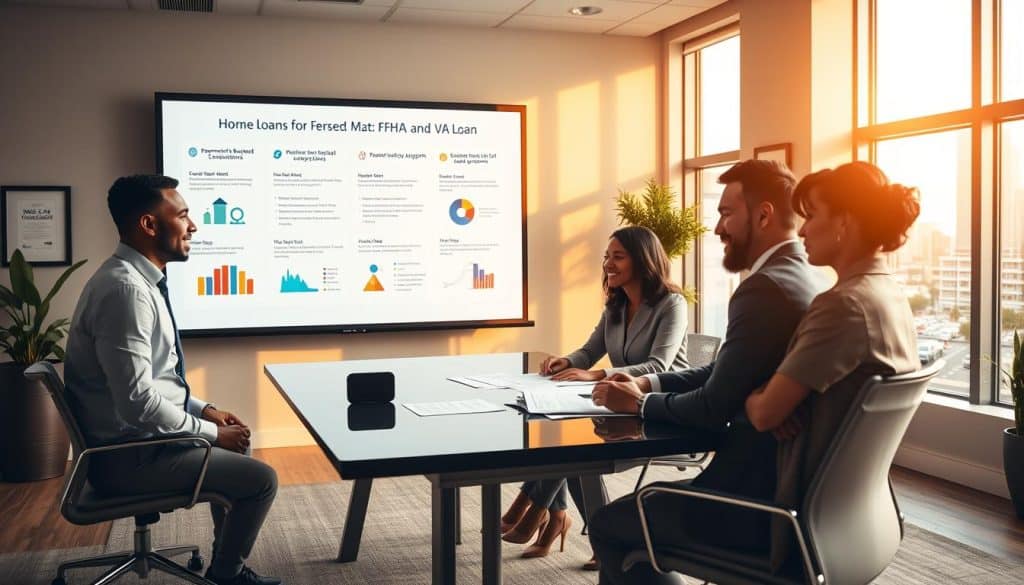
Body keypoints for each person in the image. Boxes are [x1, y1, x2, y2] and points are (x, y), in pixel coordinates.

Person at [586, 159, 824, 584]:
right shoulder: (804, 279)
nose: (717, 229)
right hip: (800, 494)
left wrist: (642, 404)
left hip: (748, 501)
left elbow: (714, 405)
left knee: (608, 524)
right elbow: (724, 372)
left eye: (726, 213)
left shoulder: (764, 289)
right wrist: (647, 381)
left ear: (764, 215)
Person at [64, 175, 282, 585]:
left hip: (134, 445)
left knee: (238, 452)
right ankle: (227, 575)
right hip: (129, 458)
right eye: (182, 215)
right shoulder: (125, 291)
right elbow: (137, 403)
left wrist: (207, 412)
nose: (193, 226)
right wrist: (212, 435)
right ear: (149, 225)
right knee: (261, 481)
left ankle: (225, 565)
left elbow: (157, 380)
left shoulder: (131, 281)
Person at [745, 161, 920, 573]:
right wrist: (791, 403)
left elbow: (766, 413)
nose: (802, 230)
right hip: (851, 520)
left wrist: (758, 396)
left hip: (790, 521)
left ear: (846, 221)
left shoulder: (843, 305)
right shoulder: (889, 294)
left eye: (812, 216)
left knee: (620, 524)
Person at [501, 226, 689, 565]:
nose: (607, 264)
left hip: (663, 411)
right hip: (621, 405)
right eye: (606, 257)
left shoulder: (670, 304)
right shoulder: (615, 305)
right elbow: (590, 350)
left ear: (643, 261)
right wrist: (567, 362)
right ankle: (588, 533)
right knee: (567, 441)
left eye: (617, 257)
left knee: (575, 450)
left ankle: (537, 507)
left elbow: (658, 364)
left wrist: (598, 374)